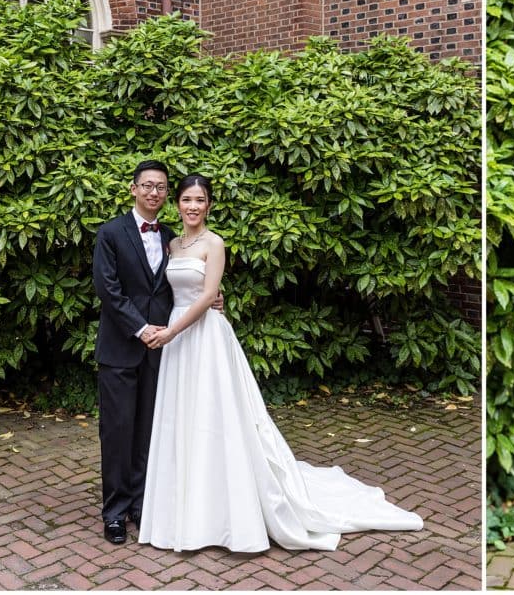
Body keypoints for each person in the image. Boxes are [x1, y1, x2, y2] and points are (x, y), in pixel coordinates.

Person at [138, 174, 424, 552]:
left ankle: (224, 511)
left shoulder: (215, 243)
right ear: (178, 203)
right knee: (183, 419)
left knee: (215, 417)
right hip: (178, 340)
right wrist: (170, 329)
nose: (193, 206)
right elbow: (170, 291)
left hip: (203, 337)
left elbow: (208, 296)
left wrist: (172, 332)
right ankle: (185, 507)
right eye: (187, 199)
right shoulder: (173, 243)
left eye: (200, 200)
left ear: (209, 205)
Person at [92, 160, 176, 546]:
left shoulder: (173, 237)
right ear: (133, 189)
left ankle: (142, 506)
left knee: (148, 432)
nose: (154, 192)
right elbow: (108, 289)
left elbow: (182, 284)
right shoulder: (110, 233)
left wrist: (213, 300)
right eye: (147, 185)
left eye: (160, 187)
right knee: (117, 432)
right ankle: (114, 512)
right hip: (121, 348)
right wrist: (140, 328)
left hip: (161, 351)